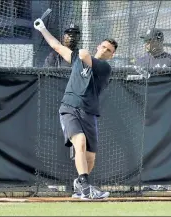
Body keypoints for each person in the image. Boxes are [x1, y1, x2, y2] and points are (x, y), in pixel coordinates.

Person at [34, 18, 118, 200]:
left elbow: (85, 56)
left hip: (89, 112)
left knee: (90, 158)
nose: (104, 50)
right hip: (70, 107)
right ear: (98, 46)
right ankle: (86, 187)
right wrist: (42, 29)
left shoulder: (104, 67)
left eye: (109, 50)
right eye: (103, 47)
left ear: (111, 55)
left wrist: (84, 53)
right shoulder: (78, 59)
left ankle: (81, 185)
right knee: (79, 142)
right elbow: (57, 46)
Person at [137, 28, 171, 192]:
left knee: (163, 146)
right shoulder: (141, 61)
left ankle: (162, 179)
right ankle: (146, 179)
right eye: (146, 40)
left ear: (159, 41)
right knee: (145, 146)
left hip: (164, 111)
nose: (146, 43)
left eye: (150, 40)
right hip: (145, 111)